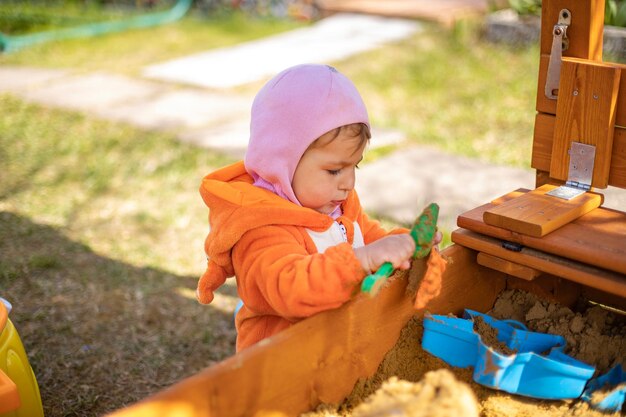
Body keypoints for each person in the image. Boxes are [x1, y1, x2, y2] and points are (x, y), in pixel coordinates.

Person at [196, 64, 440, 351]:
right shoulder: (260, 228)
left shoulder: (337, 207)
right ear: (282, 162)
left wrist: (405, 244)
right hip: (282, 368)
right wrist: (362, 259)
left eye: (355, 165)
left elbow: (370, 238)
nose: (348, 183)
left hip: (334, 354)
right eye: (334, 170)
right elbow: (291, 290)